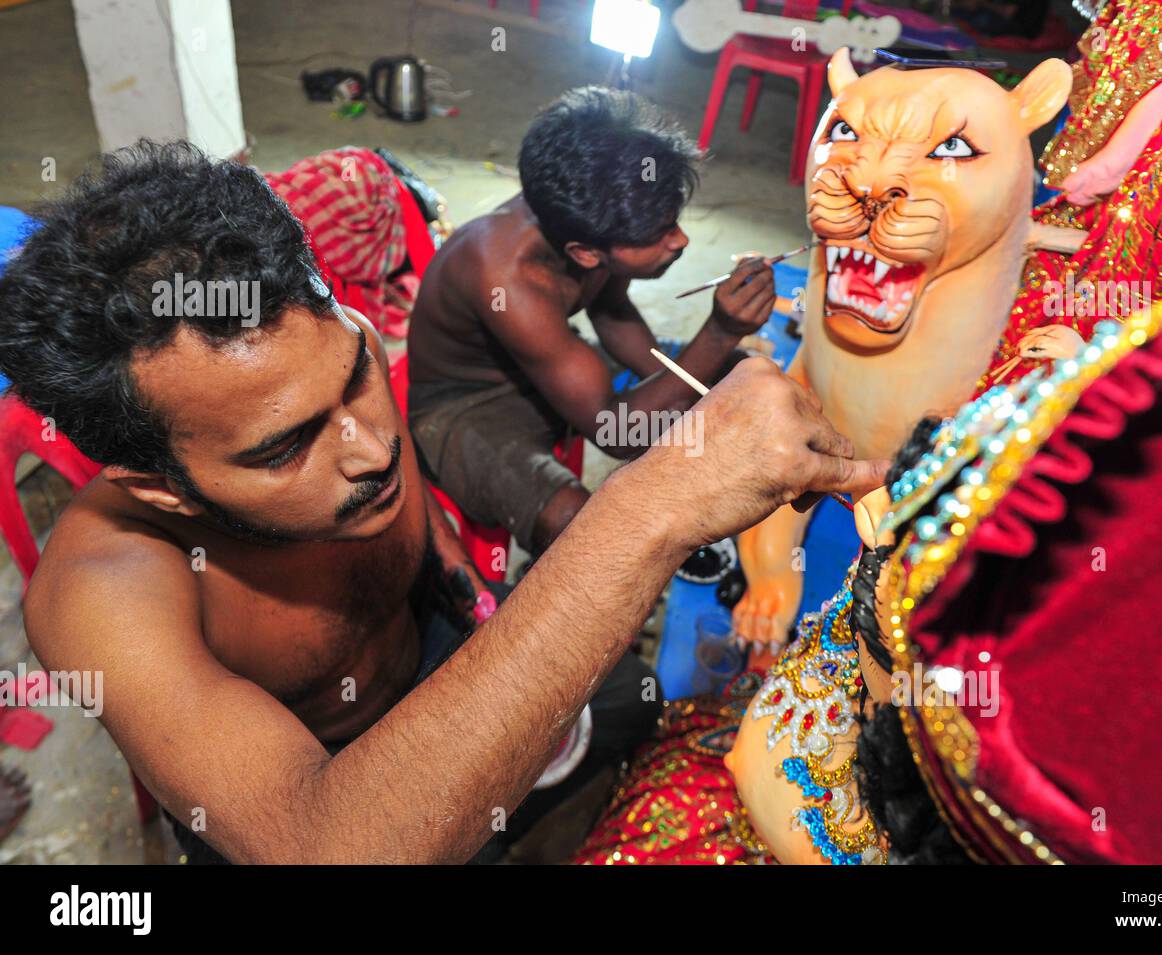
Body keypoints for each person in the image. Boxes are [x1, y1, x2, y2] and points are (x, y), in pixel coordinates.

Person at [0, 140, 881, 864]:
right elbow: (329, 847)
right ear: (158, 486)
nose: (372, 447)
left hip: (439, 646)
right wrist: (652, 504)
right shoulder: (104, 593)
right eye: (283, 446)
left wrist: (456, 572)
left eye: (356, 372)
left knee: (653, 709)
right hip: (324, 803)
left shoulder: (345, 412)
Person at [406, 86, 778, 555]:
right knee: (585, 533)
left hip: (545, 361)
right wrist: (718, 333)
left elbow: (612, 311)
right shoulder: (510, 278)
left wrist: (687, 376)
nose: (680, 240)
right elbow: (616, 433)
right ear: (584, 253)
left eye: (674, 220)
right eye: (658, 233)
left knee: (733, 373)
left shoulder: (588, 208)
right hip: (464, 407)